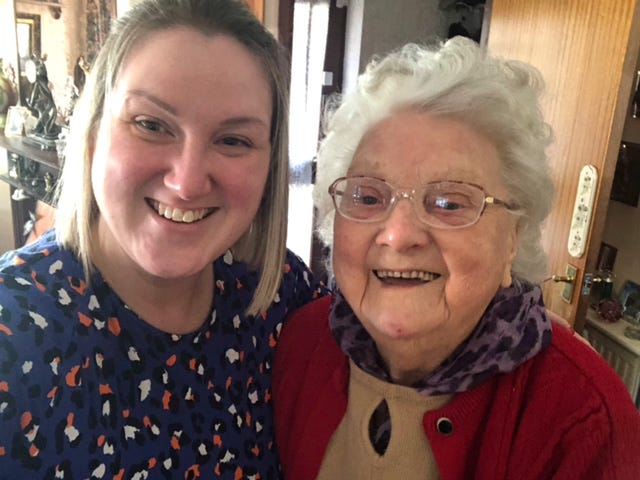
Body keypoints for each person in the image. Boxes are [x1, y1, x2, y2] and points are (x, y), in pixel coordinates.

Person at [273, 37, 640, 479]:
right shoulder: (301, 342)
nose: (398, 234)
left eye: (449, 203)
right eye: (368, 196)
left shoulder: (584, 420)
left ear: (513, 238)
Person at [0, 0, 326, 478]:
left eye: (234, 140)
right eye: (151, 125)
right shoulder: (12, 327)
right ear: (91, 136)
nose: (188, 182)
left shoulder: (280, 296)